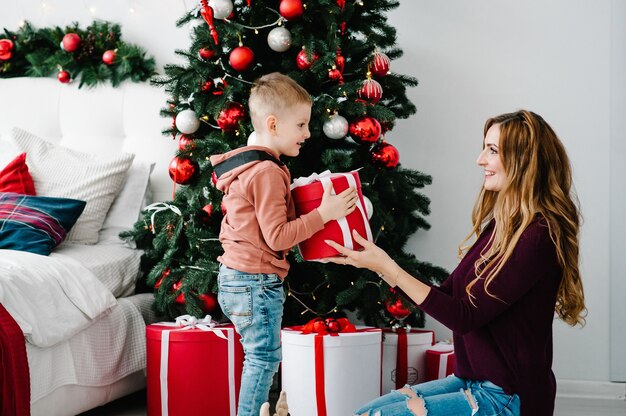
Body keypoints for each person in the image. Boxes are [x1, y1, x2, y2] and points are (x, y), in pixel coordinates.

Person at [325, 110, 586, 416]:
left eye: (492, 150)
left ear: (523, 161)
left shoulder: (539, 235)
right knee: (364, 412)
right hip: (472, 381)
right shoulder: (502, 227)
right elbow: (449, 295)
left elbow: (464, 316)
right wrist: (376, 264)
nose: (480, 160)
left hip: (507, 395)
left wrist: (386, 267)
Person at [209, 72, 358, 416]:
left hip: (236, 278)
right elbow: (277, 236)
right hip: (254, 281)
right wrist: (325, 213)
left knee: (259, 357)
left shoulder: (250, 166)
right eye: (302, 125)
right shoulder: (267, 172)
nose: (307, 133)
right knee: (262, 359)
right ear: (273, 124)